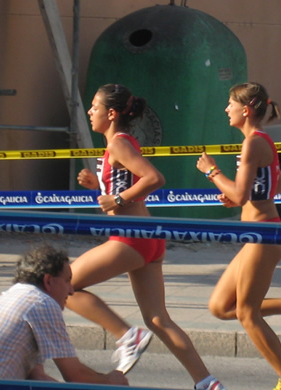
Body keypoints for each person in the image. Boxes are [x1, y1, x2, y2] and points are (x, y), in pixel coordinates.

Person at [65, 84, 226, 390]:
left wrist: (119, 199)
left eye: (94, 107)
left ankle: (127, 335)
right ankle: (207, 383)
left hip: (130, 238)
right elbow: (124, 185)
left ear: (111, 114)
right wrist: (98, 189)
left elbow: (154, 179)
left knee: (62, 285)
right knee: (158, 319)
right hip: (147, 239)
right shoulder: (120, 142)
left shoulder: (118, 144)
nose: (89, 112)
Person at [196, 82, 281, 390]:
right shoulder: (261, 140)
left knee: (247, 314)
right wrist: (246, 194)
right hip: (260, 233)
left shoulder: (253, 143)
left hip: (264, 234)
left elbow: (239, 196)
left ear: (246, 109)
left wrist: (212, 172)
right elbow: (278, 186)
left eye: (230, 104)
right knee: (221, 307)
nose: (226, 109)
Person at [0, 244, 128, 385]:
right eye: (67, 281)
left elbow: (37, 377)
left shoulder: (7, 302)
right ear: (48, 281)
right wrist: (110, 381)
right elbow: (76, 375)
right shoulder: (42, 303)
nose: (71, 291)